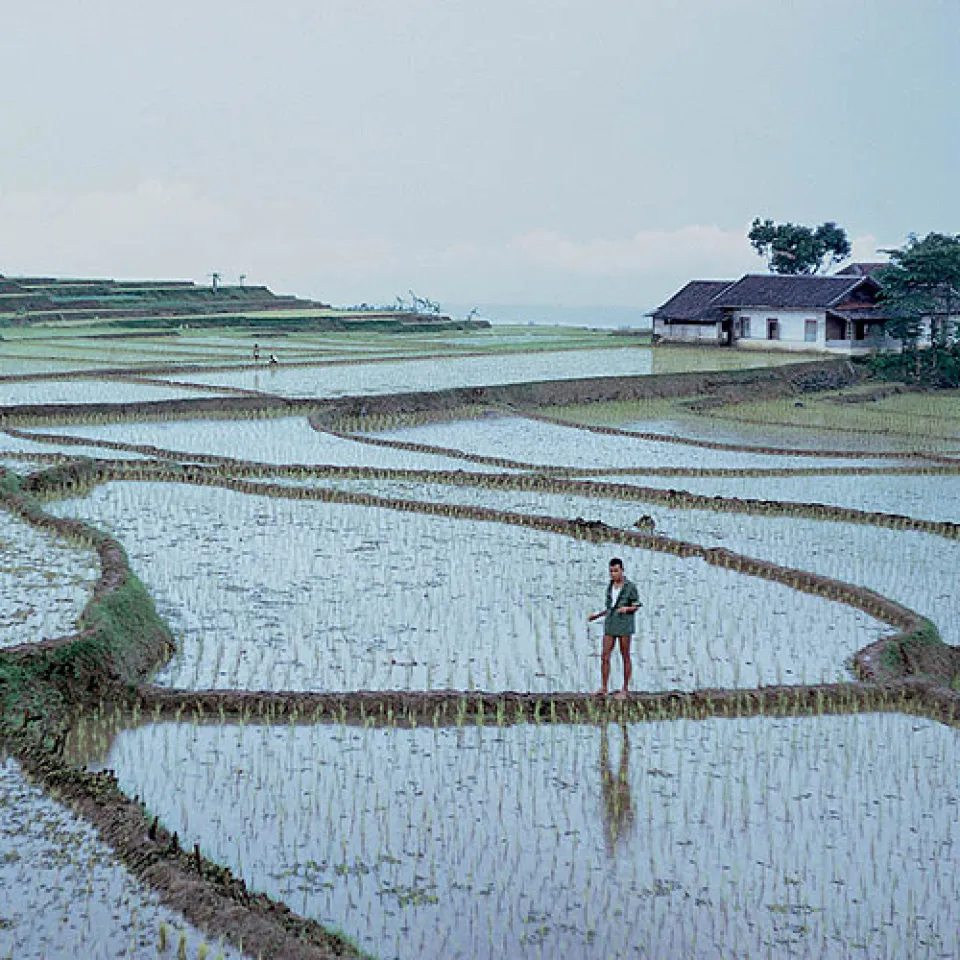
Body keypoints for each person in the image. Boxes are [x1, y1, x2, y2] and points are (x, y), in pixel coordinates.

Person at [588, 558, 641, 698]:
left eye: (616, 571)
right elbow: (609, 608)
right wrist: (597, 616)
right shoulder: (610, 586)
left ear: (622, 570)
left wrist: (627, 608)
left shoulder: (630, 587)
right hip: (610, 623)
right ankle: (604, 687)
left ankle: (625, 688)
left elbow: (636, 606)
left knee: (625, 655)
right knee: (605, 655)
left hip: (624, 624)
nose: (613, 574)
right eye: (611, 571)